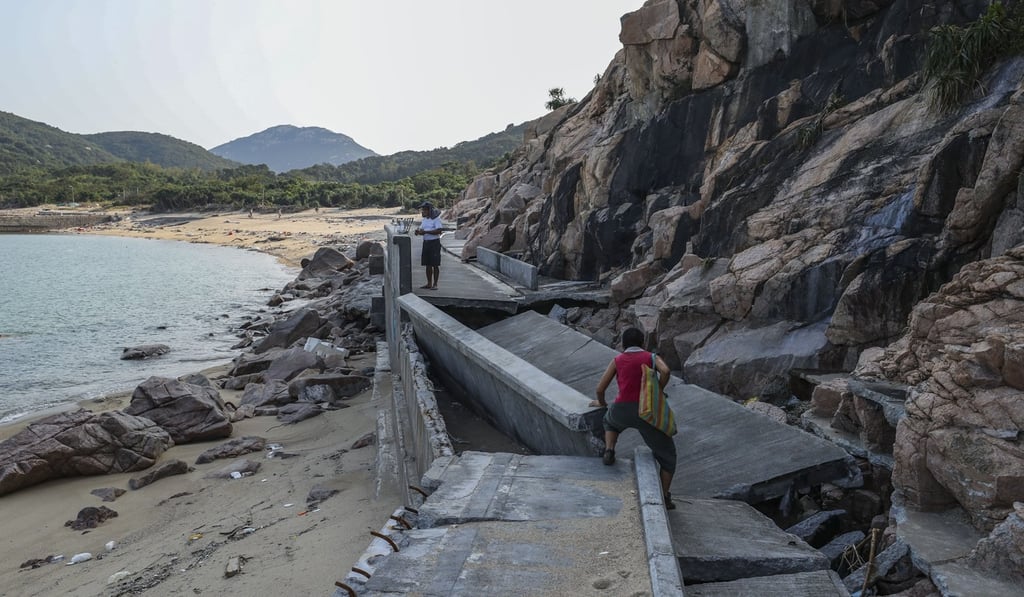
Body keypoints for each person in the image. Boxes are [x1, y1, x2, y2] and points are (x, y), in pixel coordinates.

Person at [590, 327, 677, 509]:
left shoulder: (618, 360)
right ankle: (665, 498)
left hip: (621, 408)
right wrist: (659, 389)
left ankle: (609, 449)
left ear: (623, 344)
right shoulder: (650, 357)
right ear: (643, 342)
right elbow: (666, 371)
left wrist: (601, 403)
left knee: (609, 422)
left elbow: (600, 388)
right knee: (668, 456)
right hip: (646, 411)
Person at [414, 201, 443, 289]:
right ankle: (429, 283)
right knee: (427, 264)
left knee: (435, 264)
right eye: (422, 210)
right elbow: (422, 231)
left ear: (429, 210)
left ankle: (435, 284)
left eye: (424, 210)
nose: (423, 212)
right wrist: (418, 232)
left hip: (434, 243)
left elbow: (439, 231)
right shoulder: (425, 220)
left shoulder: (436, 219)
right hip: (426, 243)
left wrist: (425, 232)